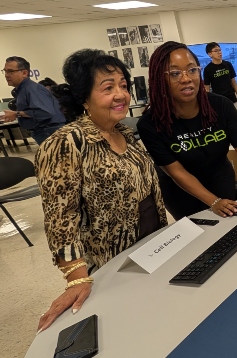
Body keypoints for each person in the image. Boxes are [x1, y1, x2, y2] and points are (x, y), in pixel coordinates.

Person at [35, 49, 168, 333]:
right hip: (111, 260)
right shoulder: (67, 142)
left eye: (123, 85)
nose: (120, 95)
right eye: (108, 88)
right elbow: (60, 218)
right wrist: (76, 277)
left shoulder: (126, 133)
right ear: (84, 97)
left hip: (151, 242)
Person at [138, 41, 237, 220]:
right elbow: (177, 172)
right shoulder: (150, 123)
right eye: (175, 73)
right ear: (159, 78)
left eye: (192, 70)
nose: (186, 78)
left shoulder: (221, 106)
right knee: (197, 231)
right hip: (178, 188)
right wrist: (214, 201)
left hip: (219, 175)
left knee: (229, 223)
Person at [2, 56, 66, 144]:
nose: (6, 75)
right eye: (5, 71)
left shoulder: (32, 89)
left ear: (24, 73)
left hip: (49, 132)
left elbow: (45, 112)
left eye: (11, 71)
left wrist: (17, 114)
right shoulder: (23, 90)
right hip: (44, 132)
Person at [202, 42, 237, 115]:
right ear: (210, 54)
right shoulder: (207, 69)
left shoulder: (228, 64)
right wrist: (208, 104)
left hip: (232, 98)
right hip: (219, 100)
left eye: (220, 50)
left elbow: (233, 82)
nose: (219, 52)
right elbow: (207, 89)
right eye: (216, 51)